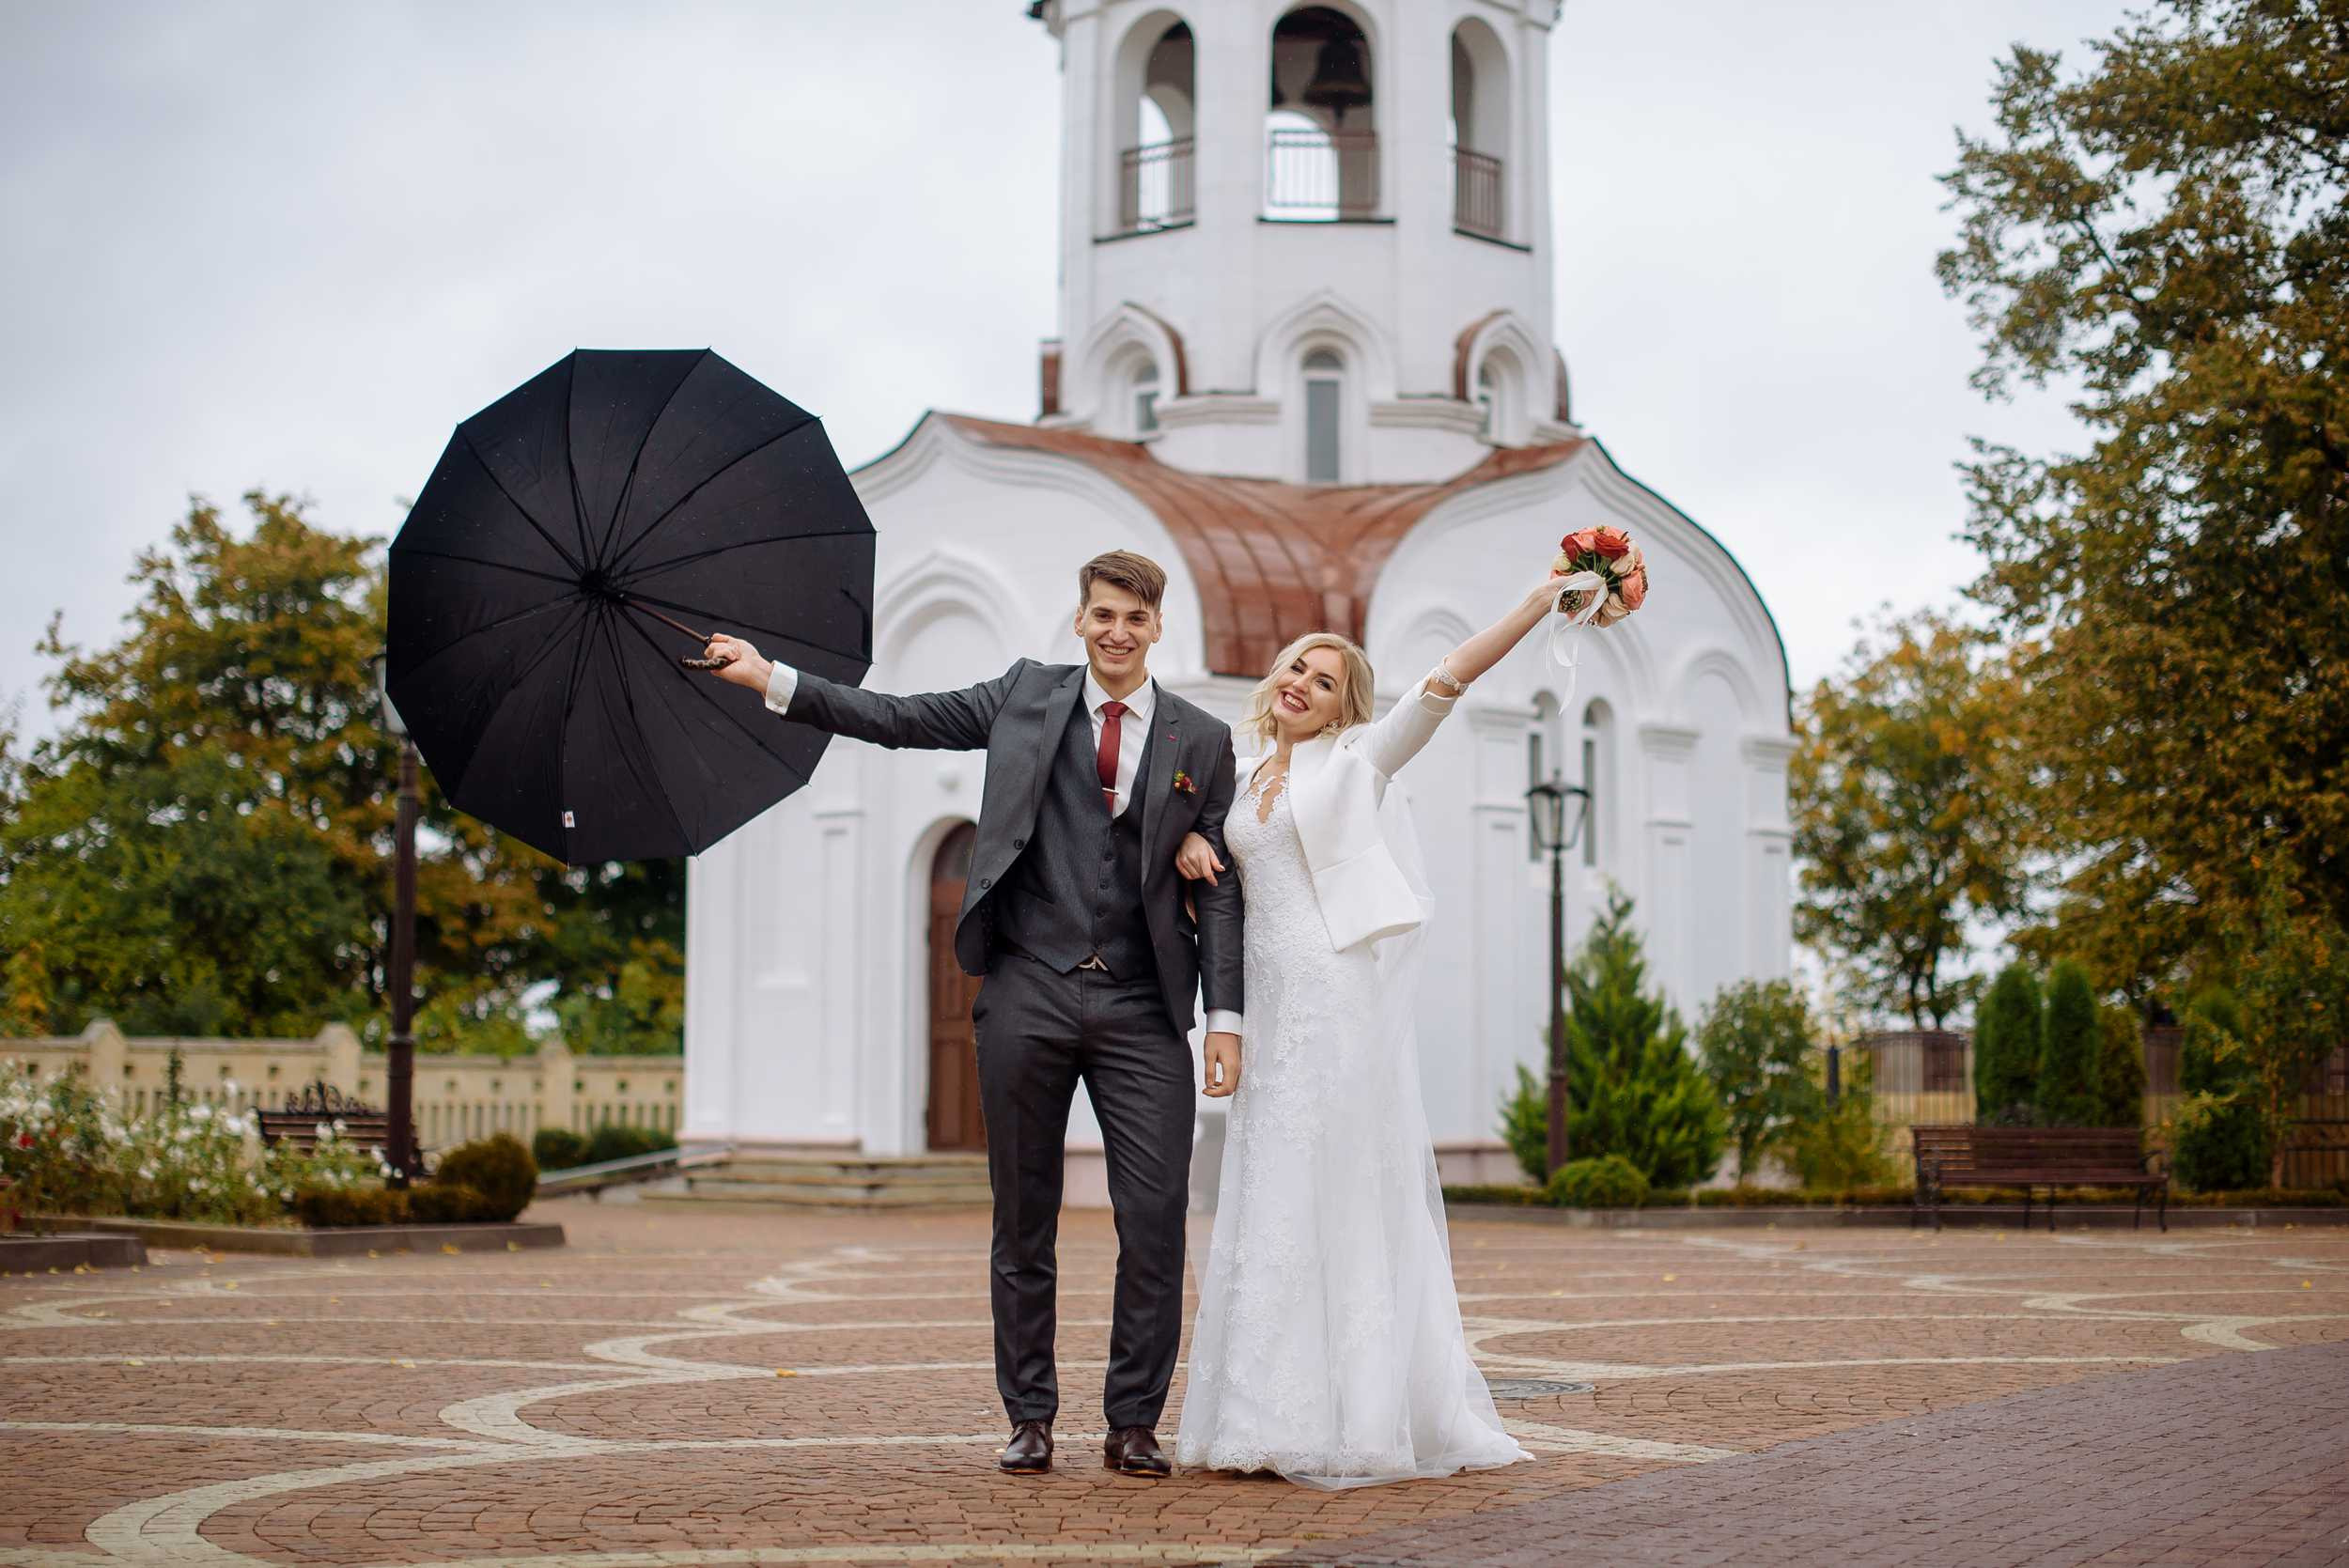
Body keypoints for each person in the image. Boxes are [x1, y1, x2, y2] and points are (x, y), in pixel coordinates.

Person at [697, 550, 1243, 1480]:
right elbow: (898, 720)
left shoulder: (1202, 737)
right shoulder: (1022, 697)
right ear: (1080, 620)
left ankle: (1133, 1422)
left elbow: (1221, 885)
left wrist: (1225, 1015)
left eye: (1135, 619)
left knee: (1153, 1218)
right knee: (1022, 1220)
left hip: (1144, 1002)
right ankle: (1028, 1416)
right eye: (1102, 614)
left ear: (1158, 631)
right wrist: (771, 679)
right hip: (1026, 988)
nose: (1117, 632)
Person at [1171, 573, 1568, 1489]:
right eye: (1293, 670)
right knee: (1265, 1196)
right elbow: (1189, 844)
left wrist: (1534, 602)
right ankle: (1253, 1415)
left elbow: (1446, 681)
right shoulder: (1229, 760)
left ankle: (1347, 1419)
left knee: (1336, 1192)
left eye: (1321, 678)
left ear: (1343, 702)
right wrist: (1186, 848)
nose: (1300, 684)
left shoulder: (1359, 760)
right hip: (1260, 1001)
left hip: (1333, 992)